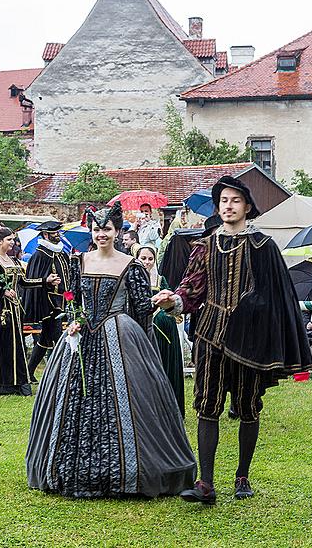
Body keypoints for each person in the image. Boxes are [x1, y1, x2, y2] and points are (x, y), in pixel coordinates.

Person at [153, 175, 312, 504]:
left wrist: (255, 313)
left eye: (235, 200)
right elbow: (191, 288)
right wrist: (174, 300)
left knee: (248, 408)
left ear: (248, 207)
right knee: (207, 407)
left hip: (249, 340)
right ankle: (206, 483)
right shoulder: (205, 245)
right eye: (224, 200)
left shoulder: (263, 247)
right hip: (210, 336)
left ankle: (242, 476)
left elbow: (275, 295)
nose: (228, 205)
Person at [26, 202, 196, 498]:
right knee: (71, 399)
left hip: (119, 336)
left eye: (106, 229)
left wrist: (160, 302)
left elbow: (142, 308)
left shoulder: (131, 266)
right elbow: (73, 302)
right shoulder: (79, 261)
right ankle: (66, 467)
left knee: (124, 401)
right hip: (79, 340)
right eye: (97, 229)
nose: (101, 234)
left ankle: (124, 469)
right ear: (91, 232)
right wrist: (73, 320)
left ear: (117, 232)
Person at [0, 227, 60, 395]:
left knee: (13, 343)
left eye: (13, 239)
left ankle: (13, 383)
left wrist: (45, 281)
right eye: (9, 239)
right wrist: (2, 291)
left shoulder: (14, 261)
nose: (12, 242)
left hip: (13, 308)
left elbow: (23, 282)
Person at [137, 246, 185, 417]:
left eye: (150, 259)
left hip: (164, 328)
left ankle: (168, 409)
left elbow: (170, 302)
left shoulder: (160, 279)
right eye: (143, 258)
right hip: (143, 329)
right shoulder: (132, 279)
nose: (147, 262)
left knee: (165, 365)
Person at [23, 221, 72, 382]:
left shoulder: (61, 253)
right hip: (48, 305)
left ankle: (28, 372)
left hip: (61, 302)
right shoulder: (39, 255)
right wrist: (47, 280)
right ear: (46, 235)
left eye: (58, 232)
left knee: (45, 339)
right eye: (55, 233)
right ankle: (61, 375)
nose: (58, 235)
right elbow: (29, 280)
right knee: (59, 339)